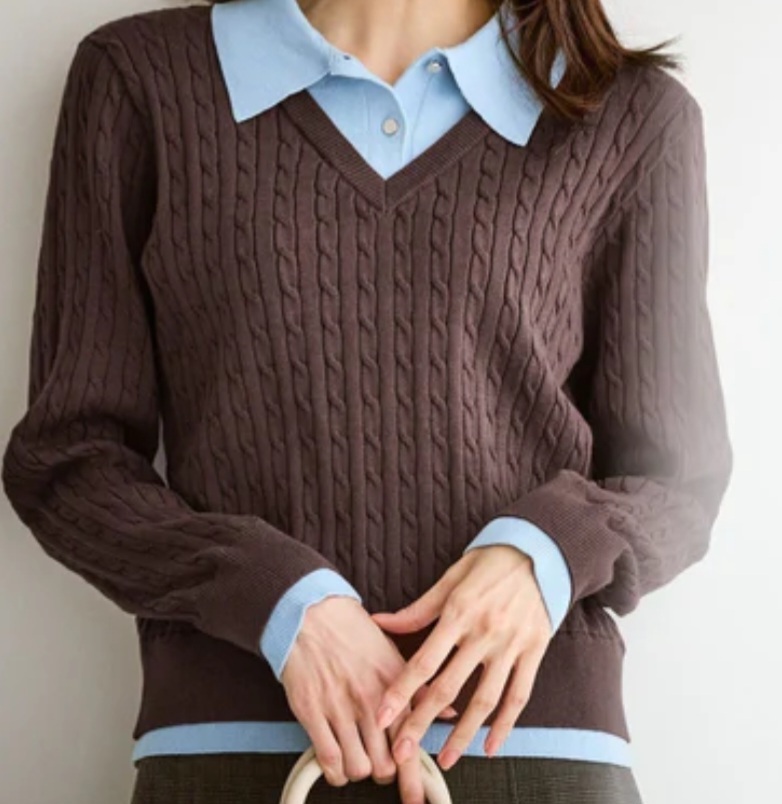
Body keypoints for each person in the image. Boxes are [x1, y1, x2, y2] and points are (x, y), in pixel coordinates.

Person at [1, 0, 734, 802]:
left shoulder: (630, 116)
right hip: (231, 747)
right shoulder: (142, 81)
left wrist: (545, 556)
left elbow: (677, 478)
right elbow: (69, 460)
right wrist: (273, 597)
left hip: (536, 752)